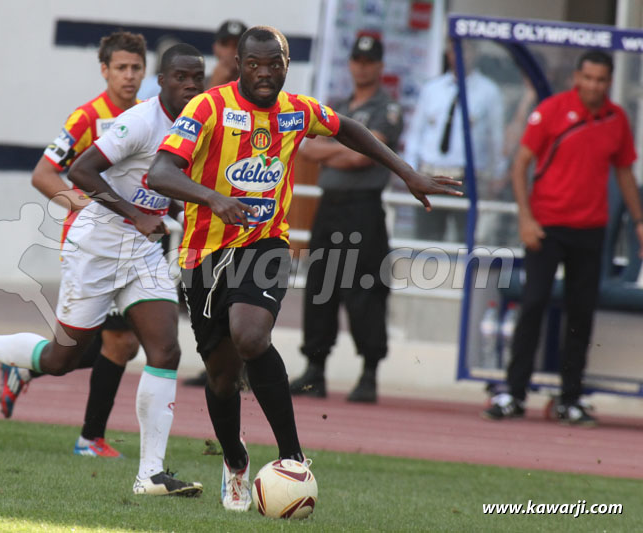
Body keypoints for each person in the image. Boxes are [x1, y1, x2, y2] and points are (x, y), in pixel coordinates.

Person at [147, 26, 460, 511]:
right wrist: (214, 198)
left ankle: (293, 455)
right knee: (222, 377)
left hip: (266, 244)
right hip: (203, 254)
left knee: (251, 337)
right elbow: (160, 173)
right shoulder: (207, 107)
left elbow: (349, 128)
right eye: (254, 65)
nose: (265, 74)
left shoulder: (299, 110)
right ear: (239, 64)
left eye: (274, 64)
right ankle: (234, 460)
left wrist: (406, 171)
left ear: (287, 63)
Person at [0, 43, 207, 496]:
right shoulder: (139, 120)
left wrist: (173, 210)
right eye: (181, 77)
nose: (192, 85)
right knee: (63, 359)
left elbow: (162, 182)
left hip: (142, 253)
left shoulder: (198, 124)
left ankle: (150, 474)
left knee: (165, 350)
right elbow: (80, 170)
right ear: (163, 81)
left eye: (198, 77)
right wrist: (133, 214)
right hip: (96, 248)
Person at [0, 32, 146, 462]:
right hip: (92, 247)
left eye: (136, 68)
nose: (129, 76)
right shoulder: (87, 117)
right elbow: (43, 173)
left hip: (131, 247)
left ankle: (27, 365)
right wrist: (83, 205)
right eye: (121, 68)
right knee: (118, 343)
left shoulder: (147, 116)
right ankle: (89, 438)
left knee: (114, 344)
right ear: (104, 70)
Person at [482, 50, 643, 426]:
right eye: (588, 78)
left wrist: (638, 220)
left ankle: (570, 397)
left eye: (601, 80)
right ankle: (513, 392)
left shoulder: (616, 119)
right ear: (577, 77)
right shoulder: (552, 110)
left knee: (580, 313)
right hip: (547, 226)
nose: (594, 86)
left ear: (608, 81)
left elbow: (623, 172)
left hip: (591, 230)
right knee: (533, 303)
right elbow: (521, 163)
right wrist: (525, 217)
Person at [289, 34, 402, 404]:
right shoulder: (337, 107)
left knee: (364, 291)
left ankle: (369, 372)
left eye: (370, 62)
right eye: (357, 60)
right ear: (350, 63)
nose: (362, 67)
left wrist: (333, 151)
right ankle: (315, 370)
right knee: (321, 286)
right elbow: (306, 146)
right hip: (330, 206)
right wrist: (344, 147)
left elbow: (362, 158)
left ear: (381, 67)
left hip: (363, 209)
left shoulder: (388, 108)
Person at [182, 18, 248, 389]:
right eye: (225, 45)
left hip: (248, 220)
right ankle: (220, 366)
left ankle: (245, 362)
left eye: (236, 47)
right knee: (206, 302)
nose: (230, 53)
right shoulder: (203, 94)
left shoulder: (261, 94)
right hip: (203, 217)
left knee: (247, 299)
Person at [403, 38, 505, 243]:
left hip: (466, 179)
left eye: (466, 51)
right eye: (454, 51)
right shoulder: (432, 89)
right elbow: (416, 135)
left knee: (464, 242)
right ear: (447, 54)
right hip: (430, 174)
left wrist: (498, 175)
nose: (459, 56)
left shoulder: (488, 92)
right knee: (426, 242)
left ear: (475, 54)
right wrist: (410, 172)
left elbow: (496, 139)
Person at [208, 20, 247, 89]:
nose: (230, 50)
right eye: (225, 44)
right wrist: (215, 84)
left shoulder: (256, 85)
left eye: (237, 45)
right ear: (215, 48)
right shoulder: (199, 84)